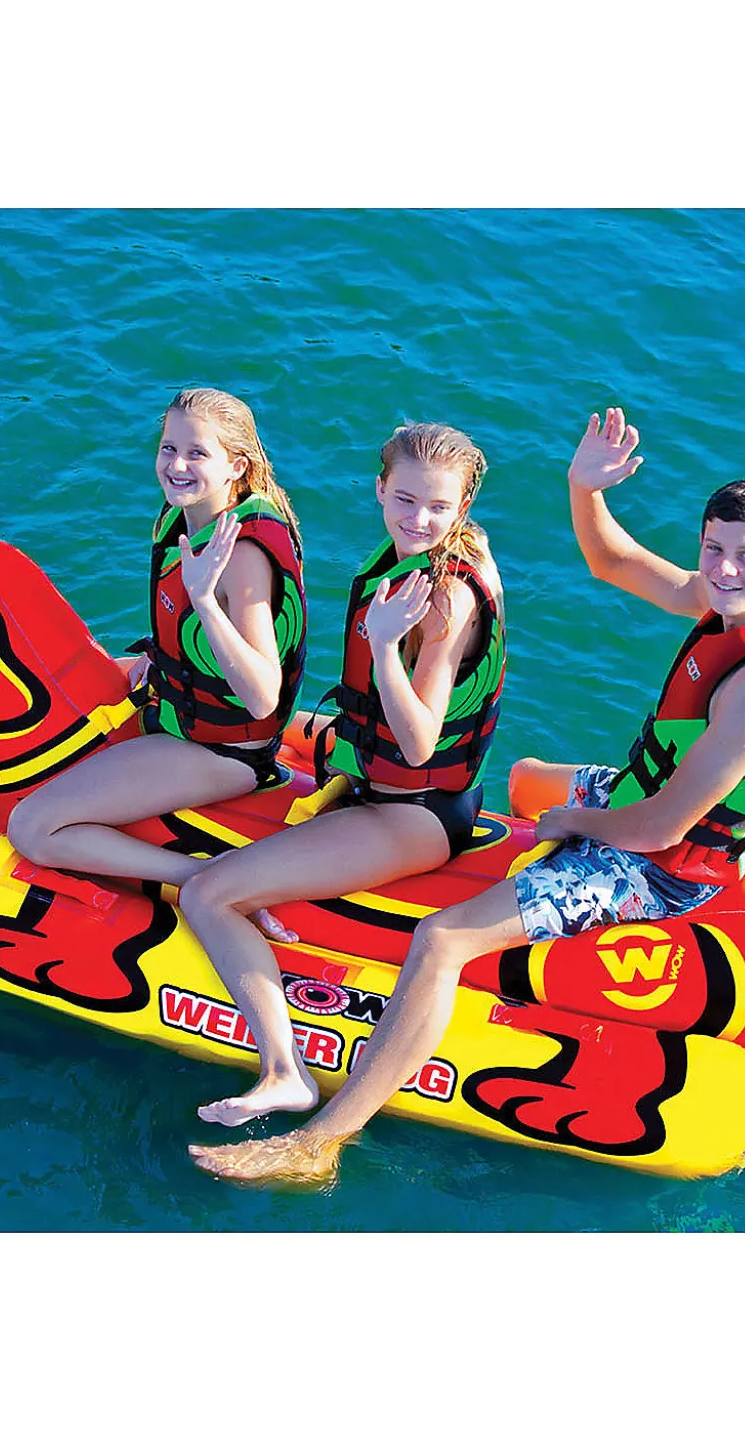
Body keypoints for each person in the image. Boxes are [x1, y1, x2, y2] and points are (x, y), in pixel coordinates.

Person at [188, 405, 745, 1185]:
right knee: (525, 778)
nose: (723, 570)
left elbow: (662, 827)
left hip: (661, 869)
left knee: (441, 941)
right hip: (640, 791)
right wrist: (585, 488)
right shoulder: (732, 607)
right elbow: (615, 562)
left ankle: (320, 1141)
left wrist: (573, 823)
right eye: (714, 549)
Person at [176, 422, 506, 1128]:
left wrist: (384, 647)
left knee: (206, 894)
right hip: (372, 784)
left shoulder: (446, 599)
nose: (419, 519)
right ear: (380, 489)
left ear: (463, 508)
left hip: (415, 812)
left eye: (439, 507)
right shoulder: (420, 559)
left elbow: (418, 743)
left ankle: (283, 1072)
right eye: (406, 500)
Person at [6, 387, 306, 920]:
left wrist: (204, 598)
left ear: (236, 466)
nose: (177, 465)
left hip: (225, 753)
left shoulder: (240, 556)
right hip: (180, 708)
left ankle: (203, 876)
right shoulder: (188, 518)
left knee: (31, 828)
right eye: (169, 448)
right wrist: (165, 661)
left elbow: (262, 696)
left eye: (197, 453)